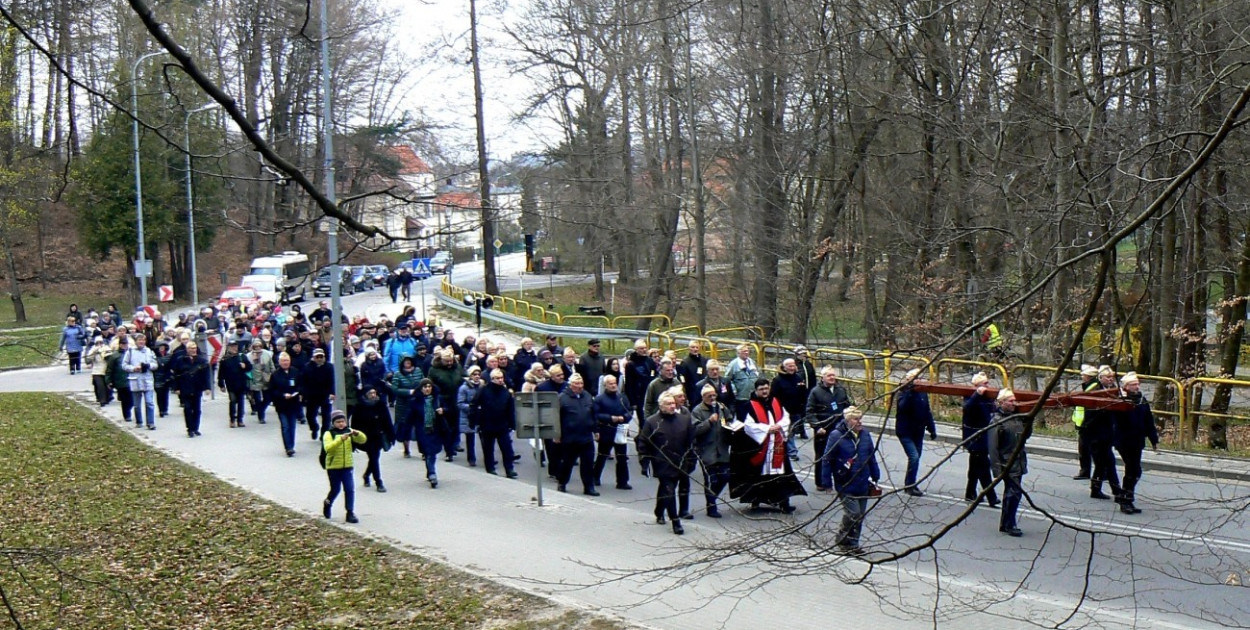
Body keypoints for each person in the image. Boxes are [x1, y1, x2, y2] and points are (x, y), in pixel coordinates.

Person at [729, 378, 807, 512]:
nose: (764, 391)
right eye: (761, 389)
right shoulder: (749, 405)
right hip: (761, 447)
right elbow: (748, 425)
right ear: (756, 390)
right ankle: (756, 500)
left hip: (777, 444)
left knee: (781, 475)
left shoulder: (776, 401)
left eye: (766, 388)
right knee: (759, 476)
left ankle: (784, 503)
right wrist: (766, 429)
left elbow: (785, 417)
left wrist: (779, 426)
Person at [822, 406, 880, 555]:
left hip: (862, 482)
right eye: (856, 419)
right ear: (847, 420)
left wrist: (875, 474)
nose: (859, 422)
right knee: (853, 514)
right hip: (845, 482)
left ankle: (853, 544)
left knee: (860, 515)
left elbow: (871, 456)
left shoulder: (865, 435)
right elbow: (827, 459)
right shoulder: (836, 435)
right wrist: (826, 482)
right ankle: (841, 538)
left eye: (860, 419)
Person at [638, 392, 697, 535]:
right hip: (662, 463)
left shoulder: (684, 420)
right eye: (669, 404)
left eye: (673, 403)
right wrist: (644, 462)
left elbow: (691, 442)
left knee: (667, 490)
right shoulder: (652, 422)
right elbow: (643, 442)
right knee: (669, 489)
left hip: (680, 462)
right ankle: (675, 521)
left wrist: (691, 460)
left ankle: (659, 511)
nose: (672, 406)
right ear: (661, 406)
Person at [1114, 372, 1159, 514]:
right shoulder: (1121, 401)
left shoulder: (1141, 400)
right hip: (1124, 440)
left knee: (1135, 471)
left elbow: (1148, 421)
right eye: (1134, 384)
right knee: (1132, 469)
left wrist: (1154, 440)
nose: (1137, 386)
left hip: (1138, 440)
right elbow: (1113, 421)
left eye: (1138, 384)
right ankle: (1125, 499)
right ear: (1126, 386)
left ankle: (1126, 497)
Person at [805, 366, 854, 491]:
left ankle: (842, 479)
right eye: (829, 375)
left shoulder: (841, 390)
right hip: (824, 430)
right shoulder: (815, 392)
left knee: (842, 454)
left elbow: (847, 406)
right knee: (822, 456)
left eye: (833, 375)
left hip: (839, 429)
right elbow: (810, 412)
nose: (832, 378)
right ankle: (821, 482)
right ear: (823, 377)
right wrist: (817, 426)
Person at [691, 384, 735, 518]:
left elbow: (729, 417)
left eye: (714, 395)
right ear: (703, 397)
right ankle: (711, 507)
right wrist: (708, 422)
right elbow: (695, 430)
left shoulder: (721, 407)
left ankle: (712, 498)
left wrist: (730, 426)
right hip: (707, 450)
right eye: (709, 396)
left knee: (725, 476)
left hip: (721, 449)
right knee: (711, 479)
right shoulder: (697, 411)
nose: (712, 398)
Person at [988, 389, 1027, 537]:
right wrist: (997, 470)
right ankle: (1009, 523)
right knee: (1013, 494)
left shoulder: (1017, 418)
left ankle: (1006, 523)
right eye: (1010, 401)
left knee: (1013, 494)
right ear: (1001, 402)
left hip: (1018, 462)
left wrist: (1029, 422)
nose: (1013, 403)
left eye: (1014, 400)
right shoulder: (997, 421)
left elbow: (1025, 436)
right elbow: (993, 448)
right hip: (1007, 464)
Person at [895, 368, 937, 496]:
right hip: (905, 431)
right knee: (914, 457)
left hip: (918, 431)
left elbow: (927, 412)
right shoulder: (903, 392)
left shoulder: (922, 393)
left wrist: (931, 429)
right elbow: (902, 407)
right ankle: (909, 486)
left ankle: (911, 483)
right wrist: (910, 391)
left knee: (916, 458)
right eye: (915, 379)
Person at [470, 369, 519, 478]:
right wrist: (474, 422)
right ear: (492, 379)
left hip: (502, 425)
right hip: (487, 424)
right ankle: (490, 468)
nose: (500, 380)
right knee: (488, 449)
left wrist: (512, 424)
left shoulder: (506, 392)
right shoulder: (484, 390)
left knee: (507, 449)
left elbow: (510, 409)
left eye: (501, 378)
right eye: (497, 378)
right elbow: (474, 405)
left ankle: (509, 469)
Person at [961, 372, 1000, 508]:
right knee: (984, 468)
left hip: (984, 437)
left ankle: (970, 493)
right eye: (985, 383)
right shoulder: (971, 397)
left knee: (975, 467)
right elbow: (968, 408)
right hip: (975, 438)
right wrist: (977, 394)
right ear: (977, 385)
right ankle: (991, 497)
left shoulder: (987, 398)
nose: (987, 385)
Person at [321, 410, 366, 524]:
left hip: (347, 466)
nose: (341, 424)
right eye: (338, 422)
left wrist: (357, 434)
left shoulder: (349, 431)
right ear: (333, 423)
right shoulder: (329, 434)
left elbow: (363, 440)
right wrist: (340, 439)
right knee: (335, 489)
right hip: (333, 467)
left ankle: (350, 512)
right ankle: (328, 503)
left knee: (349, 489)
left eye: (343, 421)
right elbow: (328, 448)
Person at [556, 374, 598, 495]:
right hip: (570, 437)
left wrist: (596, 430)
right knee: (567, 463)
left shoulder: (587, 396)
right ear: (571, 385)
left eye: (581, 384)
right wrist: (557, 435)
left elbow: (593, 414)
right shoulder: (562, 398)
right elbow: (556, 417)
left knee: (588, 463)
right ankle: (562, 483)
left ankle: (589, 487)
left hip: (586, 436)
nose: (580, 386)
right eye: (577, 384)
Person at [1088, 365, 1123, 501]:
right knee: (1107, 462)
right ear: (1100, 378)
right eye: (1107, 377)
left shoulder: (1113, 390)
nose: (1110, 379)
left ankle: (1096, 489)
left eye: (1111, 377)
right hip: (1096, 434)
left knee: (1103, 463)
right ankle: (1116, 490)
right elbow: (1091, 413)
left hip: (1107, 433)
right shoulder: (1095, 391)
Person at [592, 374, 633, 490]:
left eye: (614, 383)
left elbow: (629, 411)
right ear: (605, 385)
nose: (613, 385)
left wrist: (624, 418)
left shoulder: (622, 397)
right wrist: (610, 418)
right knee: (602, 456)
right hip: (606, 429)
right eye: (610, 383)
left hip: (620, 429)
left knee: (622, 457)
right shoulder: (600, 399)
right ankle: (595, 477)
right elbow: (596, 415)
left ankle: (622, 481)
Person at [353, 387, 395, 492]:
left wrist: (391, 435)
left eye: (374, 392)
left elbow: (387, 421)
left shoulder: (381, 405)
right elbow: (355, 424)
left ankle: (367, 475)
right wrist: (354, 440)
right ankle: (379, 482)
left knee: (374, 458)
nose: (373, 395)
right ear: (365, 394)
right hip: (366, 437)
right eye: (370, 393)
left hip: (379, 436)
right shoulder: (359, 407)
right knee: (374, 458)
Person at [428, 348, 466, 462]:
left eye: (451, 361)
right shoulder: (434, 370)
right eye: (446, 361)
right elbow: (430, 385)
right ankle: (448, 451)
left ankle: (454, 445)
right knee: (446, 427)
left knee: (455, 426)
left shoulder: (457, 367)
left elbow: (463, 376)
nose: (449, 363)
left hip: (456, 399)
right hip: (442, 400)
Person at [770, 358, 808, 461]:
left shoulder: (799, 378)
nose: (792, 368)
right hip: (783, 411)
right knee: (788, 431)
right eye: (789, 366)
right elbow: (773, 397)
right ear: (784, 367)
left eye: (793, 366)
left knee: (792, 431)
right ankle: (792, 452)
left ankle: (785, 449)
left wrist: (803, 407)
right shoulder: (777, 380)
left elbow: (804, 393)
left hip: (797, 410)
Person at [172, 341, 212, 437]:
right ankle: (189, 429)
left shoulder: (201, 360)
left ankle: (196, 428)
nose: (193, 350)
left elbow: (206, 375)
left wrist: (207, 387)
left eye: (194, 348)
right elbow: (175, 375)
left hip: (197, 387)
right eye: (191, 348)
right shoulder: (181, 360)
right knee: (188, 408)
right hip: (185, 387)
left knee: (197, 409)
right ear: (187, 349)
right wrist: (176, 388)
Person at [411, 379, 445, 488]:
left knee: (432, 452)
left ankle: (431, 472)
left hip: (435, 429)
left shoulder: (437, 399)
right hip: (422, 430)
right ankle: (431, 472)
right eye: (425, 387)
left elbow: (449, 409)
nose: (427, 389)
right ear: (421, 389)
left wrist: (442, 410)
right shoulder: (416, 401)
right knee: (427, 452)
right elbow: (410, 417)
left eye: (429, 386)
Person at [388, 356, 424, 458]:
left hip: (417, 402)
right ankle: (406, 449)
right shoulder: (398, 374)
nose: (407, 363)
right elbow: (394, 389)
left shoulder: (418, 371)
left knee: (420, 428)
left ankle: (423, 451)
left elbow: (423, 382)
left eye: (409, 361)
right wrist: (408, 392)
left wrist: (420, 392)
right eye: (405, 362)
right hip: (403, 404)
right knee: (405, 427)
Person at [122, 333, 159, 430]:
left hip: (147, 380)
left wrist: (148, 366)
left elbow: (155, 364)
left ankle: (150, 422)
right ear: (136, 341)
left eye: (143, 340)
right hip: (135, 380)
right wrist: (133, 368)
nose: (141, 342)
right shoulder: (130, 352)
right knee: (137, 404)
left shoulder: (149, 351)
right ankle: (139, 421)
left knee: (149, 402)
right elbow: (124, 365)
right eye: (139, 340)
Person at [269, 352, 303, 456]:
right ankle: (288, 447)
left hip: (293, 404)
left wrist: (297, 393)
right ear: (279, 362)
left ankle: (291, 446)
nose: (285, 363)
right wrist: (283, 395)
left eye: (287, 360)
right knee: (285, 426)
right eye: (283, 361)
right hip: (281, 404)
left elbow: (300, 385)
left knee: (292, 426)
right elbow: (272, 390)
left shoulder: (295, 372)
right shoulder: (275, 375)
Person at [1071, 364, 1100, 480]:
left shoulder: (1093, 389)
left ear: (1088, 377)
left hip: (1087, 425)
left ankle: (1086, 471)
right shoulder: (1090, 387)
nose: (1082, 377)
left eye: (1083, 375)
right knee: (1085, 449)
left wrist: (1085, 424)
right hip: (1084, 423)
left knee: (1086, 450)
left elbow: (1091, 409)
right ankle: (1087, 471)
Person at [301, 348, 336, 439]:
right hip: (312, 395)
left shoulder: (329, 367)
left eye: (321, 357)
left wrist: (332, 392)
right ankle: (314, 427)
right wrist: (303, 393)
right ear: (313, 357)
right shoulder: (307, 367)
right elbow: (303, 381)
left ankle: (324, 433)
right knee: (310, 415)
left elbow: (332, 380)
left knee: (326, 416)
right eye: (317, 357)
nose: (319, 359)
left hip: (325, 394)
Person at [217, 344, 253, 428]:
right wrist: (221, 384)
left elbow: (250, 367)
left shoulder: (242, 357)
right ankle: (232, 419)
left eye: (235, 346)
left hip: (241, 383)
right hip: (230, 384)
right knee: (233, 401)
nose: (234, 348)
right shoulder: (225, 359)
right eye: (232, 346)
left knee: (241, 401)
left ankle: (240, 420)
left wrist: (245, 366)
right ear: (228, 348)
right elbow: (221, 373)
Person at [456, 366, 485, 467]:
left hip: (481, 416)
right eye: (474, 374)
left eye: (478, 374)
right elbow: (460, 403)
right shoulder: (464, 388)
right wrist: (473, 408)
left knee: (485, 438)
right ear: (470, 375)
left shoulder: (482, 386)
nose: (477, 376)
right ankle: (471, 458)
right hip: (469, 416)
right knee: (470, 438)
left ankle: (487, 458)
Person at [725, 344, 760, 420]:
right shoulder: (733, 364)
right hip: (741, 397)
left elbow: (758, 374)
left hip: (754, 396)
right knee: (742, 418)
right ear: (738, 353)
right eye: (744, 351)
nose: (746, 353)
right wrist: (734, 390)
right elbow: (727, 379)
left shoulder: (752, 362)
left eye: (747, 351)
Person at [246, 340, 275, 424]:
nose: (258, 348)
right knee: (257, 399)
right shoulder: (248, 356)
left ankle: (261, 409)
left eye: (259, 346)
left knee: (268, 398)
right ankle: (261, 417)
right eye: (256, 346)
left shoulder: (267, 354)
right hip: (255, 380)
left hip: (265, 379)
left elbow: (271, 366)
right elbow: (247, 370)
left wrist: (273, 375)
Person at [85, 337, 113, 406]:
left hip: (106, 370)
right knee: (100, 386)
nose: (99, 344)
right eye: (97, 343)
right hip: (97, 371)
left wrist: (104, 353)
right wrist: (94, 353)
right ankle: (102, 400)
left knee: (107, 386)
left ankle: (108, 398)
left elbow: (110, 358)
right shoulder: (93, 349)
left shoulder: (107, 348)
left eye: (100, 342)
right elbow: (88, 361)